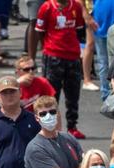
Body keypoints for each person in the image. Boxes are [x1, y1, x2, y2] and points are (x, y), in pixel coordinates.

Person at [29, 0, 87, 139]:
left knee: (73, 93)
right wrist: (45, 50)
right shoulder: (47, 7)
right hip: (53, 57)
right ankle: (48, 126)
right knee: (51, 94)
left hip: (73, 57)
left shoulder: (76, 7)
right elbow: (39, 32)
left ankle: (72, 126)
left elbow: (79, 31)